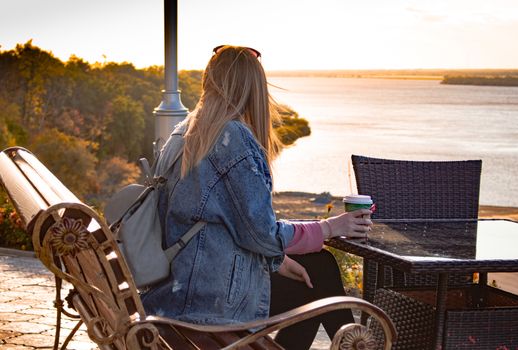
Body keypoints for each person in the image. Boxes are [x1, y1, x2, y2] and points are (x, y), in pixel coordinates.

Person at [141, 45, 373, 349]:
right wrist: (330, 228)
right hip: (207, 300)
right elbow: (262, 234)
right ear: (253, 88)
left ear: (209, 81)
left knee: (312, 272)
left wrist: (277, 261)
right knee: (320, 271)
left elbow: (226, 226)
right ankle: (356, 346)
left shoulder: (182, 133)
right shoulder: (232, 138)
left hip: (179, 287)